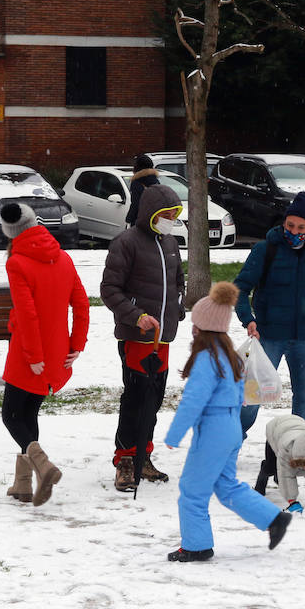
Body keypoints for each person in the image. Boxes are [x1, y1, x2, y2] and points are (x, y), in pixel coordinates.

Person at [163, 281, 292, 562]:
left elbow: (193, 401)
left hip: (213, 431)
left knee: (192, 491)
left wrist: (174, 435)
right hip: (231, 429)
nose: (193, 329)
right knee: (226, 486)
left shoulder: (207, 359)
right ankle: (273, 519)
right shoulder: (230, 356)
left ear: (204, 328)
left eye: (196, 324)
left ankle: (196, 546)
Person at [0, 203, 90, 507]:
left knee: (11, 414)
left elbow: (27, 314)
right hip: (57, 351)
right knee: (28, 413)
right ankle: (24, 485)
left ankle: (43, 464)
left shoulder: (17, 263)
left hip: (30, 350)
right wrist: (76, 344)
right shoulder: (62, 257)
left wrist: (32, 355)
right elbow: (81, 302)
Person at [100, 183, 187, 492]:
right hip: (137, 337)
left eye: (174, 215)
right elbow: (110, 290)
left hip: (163, 340)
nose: (170, 220)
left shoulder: (171, 243)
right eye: (166, 215)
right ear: (151, 213)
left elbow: (178, 281)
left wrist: (177, 307)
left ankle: (143, 455)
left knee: (154, 400)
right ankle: (124, 459)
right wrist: (136, 315)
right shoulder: (126, 242)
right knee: (135, 399)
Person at [233, 191, 305, 435]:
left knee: (304, 397)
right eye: (290, 225)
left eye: (301, 227)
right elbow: (239, 288)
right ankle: (230, 441)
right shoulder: (265, 249)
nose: (294, 231)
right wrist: (248, 320)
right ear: (284, 223)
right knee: (252, 395)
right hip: (268, 336)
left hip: (303, 338)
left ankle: (299, 446)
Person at [125, 153, 160, 227]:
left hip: (140, 220)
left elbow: (136, 204)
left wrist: (129, 218)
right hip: (154, 220)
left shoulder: (137, 182)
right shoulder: (156, 181)